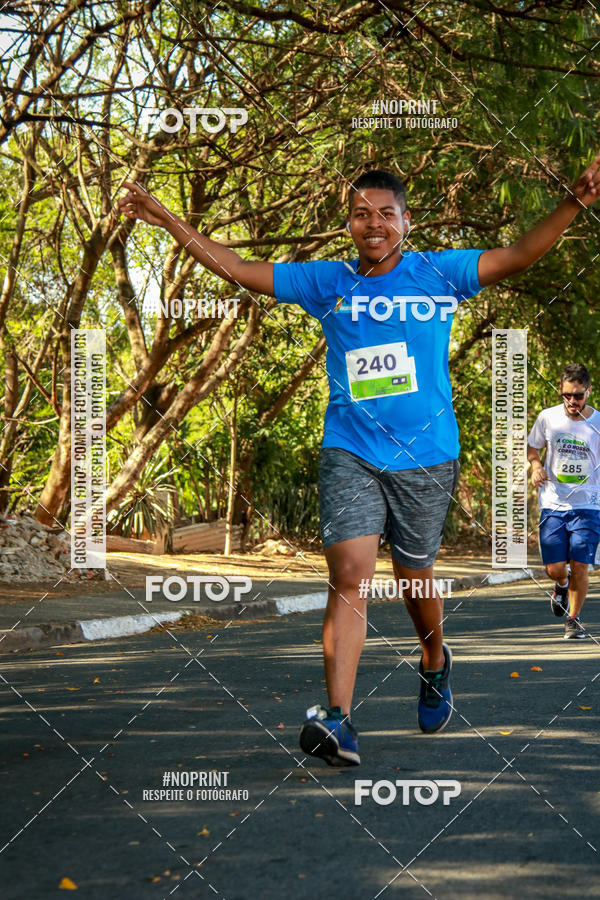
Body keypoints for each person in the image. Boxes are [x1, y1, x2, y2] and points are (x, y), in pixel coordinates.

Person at [119, 157, 600, 766]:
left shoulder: (439, 274)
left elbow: (519, 253)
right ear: (348, 223)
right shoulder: (328, 282)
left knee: (411, 578)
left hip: (426, 457)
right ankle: (340, 720)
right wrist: (165, 219)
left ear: (406, 221)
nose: (373, 224)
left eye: (385, 214)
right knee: (349, 577)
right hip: (350, 450)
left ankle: (434, 659)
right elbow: (237, 267)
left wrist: (573, 203)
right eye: (361, 214)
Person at [527, 363, 600, 639]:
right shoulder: (548, 418)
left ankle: (573, 618)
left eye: (578, 396)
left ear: (588, 392)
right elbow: (533, 446)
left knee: (580, 562)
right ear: (560, 391)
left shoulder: (598, 423)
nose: (572, 401)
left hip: (589, 505)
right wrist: (536, 466)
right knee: (554, 568)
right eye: (567, 395)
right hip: (553, 503)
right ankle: (561, 584)